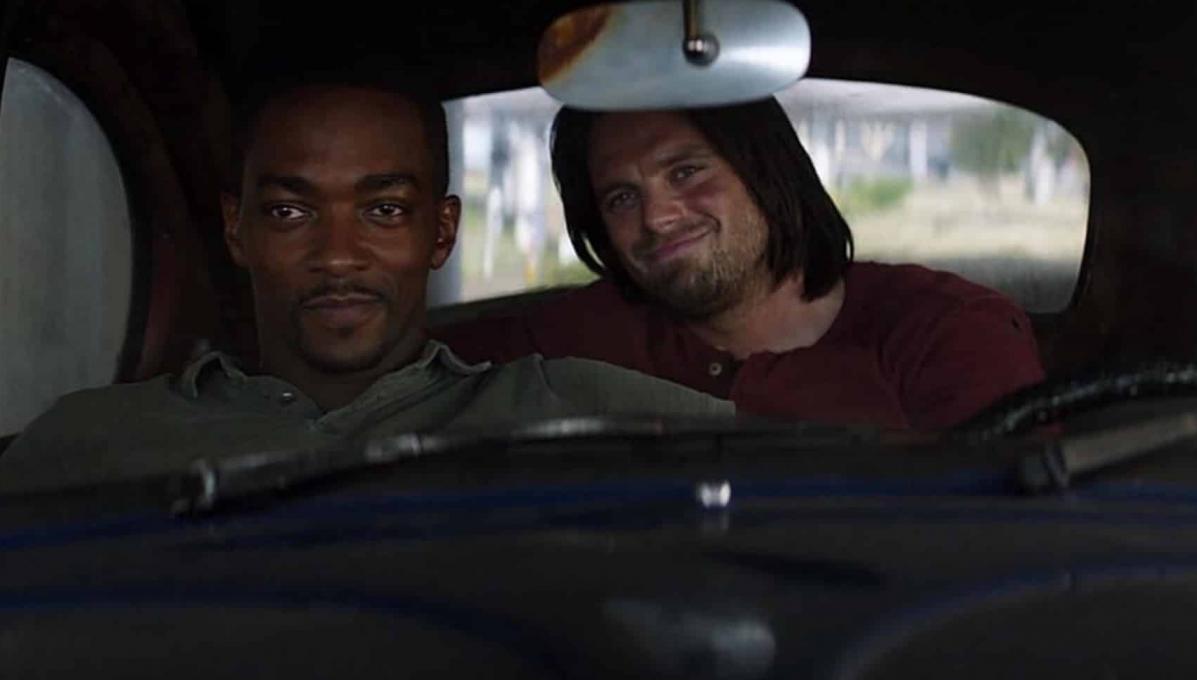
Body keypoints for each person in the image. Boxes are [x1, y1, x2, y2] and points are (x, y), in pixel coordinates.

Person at [0, 77, 732, 493]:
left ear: (441, 232)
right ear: (236, 230)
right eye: (290, 213)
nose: (338, 256)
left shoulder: (576, 409)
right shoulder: (87, 442)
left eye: (384, 211)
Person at [434, 97, 1045, 430]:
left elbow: (1006, 547)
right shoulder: (575, 337)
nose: (657, 217)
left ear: (765, 170)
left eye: (685, 172)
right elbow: (405, 382)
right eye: (622, 198)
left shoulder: (944, 334)